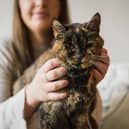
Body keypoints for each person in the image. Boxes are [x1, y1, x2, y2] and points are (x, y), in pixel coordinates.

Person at [0, 0, 110, 129]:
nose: (40, 2)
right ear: (18, 3)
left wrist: (91, 85)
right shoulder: (4, 51)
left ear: (61, 3)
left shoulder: (80, 35)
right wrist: (31, 94)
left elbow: (88, 119)